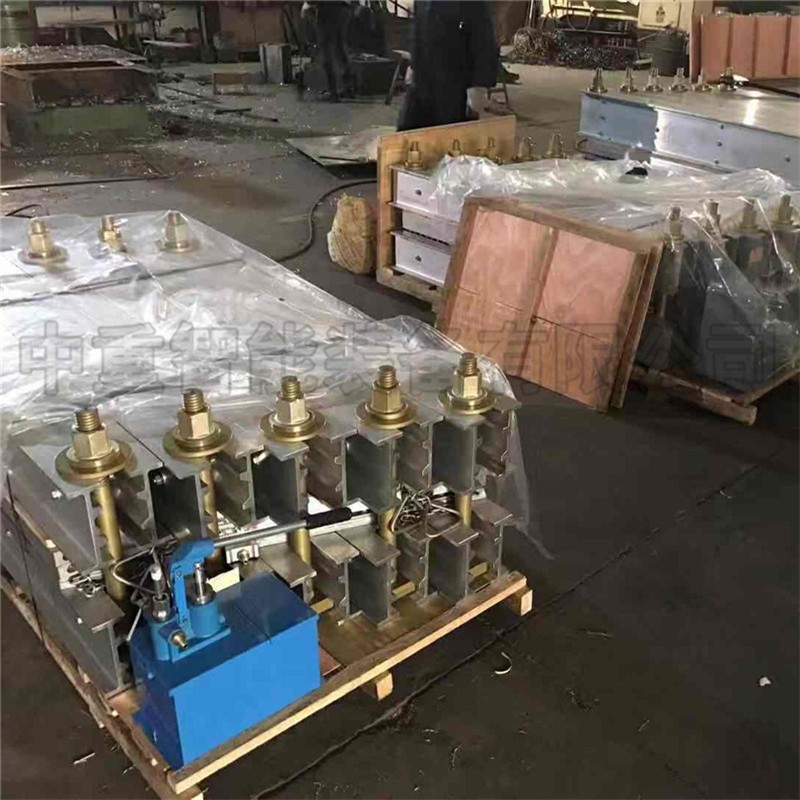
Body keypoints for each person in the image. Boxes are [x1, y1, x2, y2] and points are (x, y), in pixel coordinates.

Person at [397, 0, 498, 131]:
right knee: (407, 128)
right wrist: (413, 65)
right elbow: (418, 29)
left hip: (454, 79)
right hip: (423, 76)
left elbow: (483, 38)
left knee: (448, 131)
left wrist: (479, 85)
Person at [304, 1, 357, 102]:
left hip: (327, 10)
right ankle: (349, 87)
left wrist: (307, 4)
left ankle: (333, 92)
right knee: (339, 49)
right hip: (344, 8)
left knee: (326, 50)